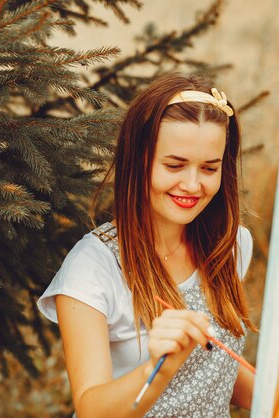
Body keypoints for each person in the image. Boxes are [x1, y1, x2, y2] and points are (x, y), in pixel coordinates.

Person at [37, 73, 256, 417]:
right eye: (174, 165)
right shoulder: (92, 268)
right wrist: (160, 367)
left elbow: (216, 373)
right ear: (138, 160)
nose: (193, 184)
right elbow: (91, 408)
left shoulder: (230, 246)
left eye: (209, 168)